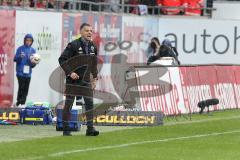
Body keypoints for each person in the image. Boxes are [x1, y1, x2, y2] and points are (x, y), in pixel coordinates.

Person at [58, 23, 99, 136]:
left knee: (89, 103)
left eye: (91, 31)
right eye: (87, 31)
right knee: (69, 104)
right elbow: (62, 59)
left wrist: (95, 78)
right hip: (73, 81)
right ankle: (66, 129)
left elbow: (94, 64)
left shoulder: (93, 47)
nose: (90, 33)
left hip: (86, 81)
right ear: (81, 32)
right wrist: (70, 73)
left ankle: (90, 129)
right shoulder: (73, 45)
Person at [14, 34, 37, 107]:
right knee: (21, 87)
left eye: (30, 41)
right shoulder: (20, 49)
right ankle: (18, 102)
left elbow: (33, 64)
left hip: (28, 73)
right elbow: (15, 59)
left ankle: (23, 103)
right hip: (20, 72)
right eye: (27, 40)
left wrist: (34, 62)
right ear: (24, 40)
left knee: (26, 89)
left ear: (32, 42)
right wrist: (20, 57)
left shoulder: (33, 50)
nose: (28, 42)